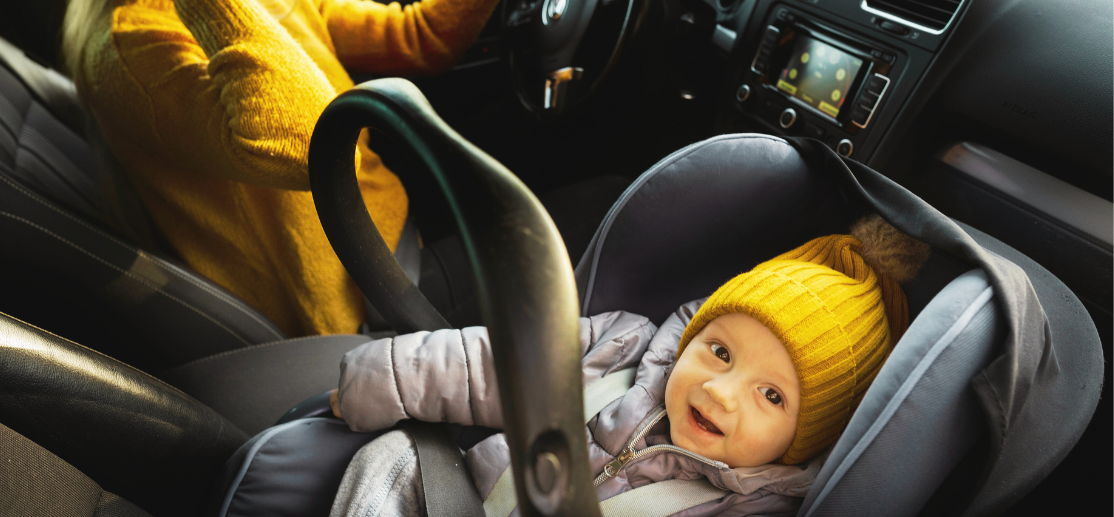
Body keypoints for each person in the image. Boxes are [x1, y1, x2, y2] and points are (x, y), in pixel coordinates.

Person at [62, 0, 545, 336]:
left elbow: (423, 37)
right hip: (368, 295)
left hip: (388, 229)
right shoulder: (132, 47)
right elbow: (307, 145)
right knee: (605, 207)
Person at [326, 215, 930, 516]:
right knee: (393, 458)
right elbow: (493, 365)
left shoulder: (745, 508)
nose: (721, 393)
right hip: (476, 501)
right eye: (719, 352)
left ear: (807, 439)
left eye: (772, 396)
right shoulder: (622, 349)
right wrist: (384, 377)